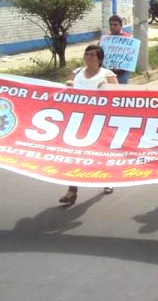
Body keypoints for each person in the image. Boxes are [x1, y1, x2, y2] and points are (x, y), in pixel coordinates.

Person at [59, 44, 118, 205]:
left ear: (100, 59)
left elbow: (120, 96)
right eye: (87, 54)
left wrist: (107, 86)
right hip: (78, 120)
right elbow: (67, 88)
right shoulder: (77, 72)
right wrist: (68, 85)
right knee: (75, 155)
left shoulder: (107, 74)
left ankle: (107, 179)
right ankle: (72, 190)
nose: (90, 57)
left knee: (100, 152)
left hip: (100, 120)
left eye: (93, 55)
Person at [106, 14, 132, 84]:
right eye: (111, 25)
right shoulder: (105, 39)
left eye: (115, 25)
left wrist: (120, 67)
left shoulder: (127, 39)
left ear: (120, 26)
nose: (112, 27)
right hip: (108, 71)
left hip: (123, 72)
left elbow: (130, 56)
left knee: (120, 91)